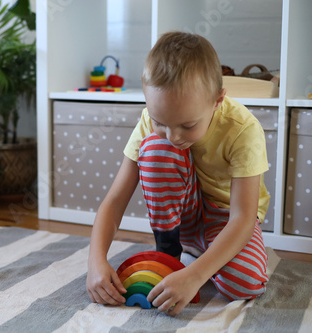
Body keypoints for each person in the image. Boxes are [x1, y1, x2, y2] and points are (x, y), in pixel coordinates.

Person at [86, 31, 270, 316]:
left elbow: (243, 218)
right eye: (160, 121)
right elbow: (114, 201)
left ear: (218, 100)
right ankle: (170, 251)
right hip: (184, 215)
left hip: (227, 216)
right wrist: (96, 261)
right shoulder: (152, 122)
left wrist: (196, 275)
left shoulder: (243, 129)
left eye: (187, 125)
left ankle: (199, 255)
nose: (173, 135)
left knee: (245, 283)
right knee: (157, 148)